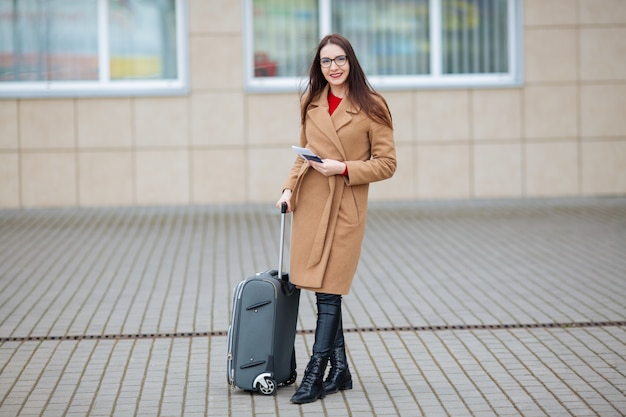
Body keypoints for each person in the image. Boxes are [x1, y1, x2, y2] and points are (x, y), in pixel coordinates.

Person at [276, 33, 397, 404]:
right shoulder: (310, 102)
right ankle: (340, 370)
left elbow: (387, 164)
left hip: (345, 207)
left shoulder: (372, 105)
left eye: (340, 59)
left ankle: (315, 374)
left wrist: (343, 167)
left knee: (330, 291)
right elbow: (303, 154)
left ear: (352, 61)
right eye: (326, 61)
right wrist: (288, 190)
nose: (334, 67)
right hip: (312, 204)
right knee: (320, 288)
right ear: (319, 66)